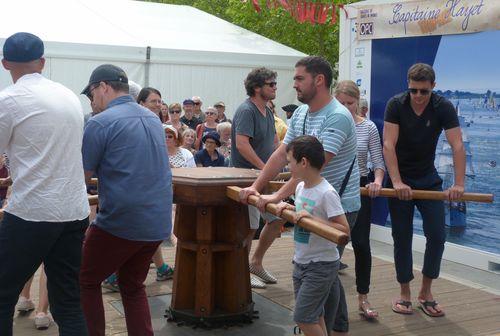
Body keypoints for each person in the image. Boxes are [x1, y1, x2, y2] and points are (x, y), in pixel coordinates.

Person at [240, 56, 360, 335]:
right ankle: (337, 328)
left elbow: (312, 168)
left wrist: (277, 197)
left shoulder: (338, 117)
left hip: (337, 205)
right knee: (325, 273)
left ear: (319, 80)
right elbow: (282, 154)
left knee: (323, 270)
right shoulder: (303, 113)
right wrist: (257, 188)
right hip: (309, 200)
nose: (293, 84)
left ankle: (324, 327)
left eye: (298, 79)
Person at [0, 32, 90, 336]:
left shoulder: (8, 99)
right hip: (73, 210)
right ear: (42, 62)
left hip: (32, 212)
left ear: (4, 63)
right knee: (68, 301)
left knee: (2, 295)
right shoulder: (68, 96)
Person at [80, 64, 173, 336]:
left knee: (85, 279)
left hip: (120, 222)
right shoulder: (153, 119)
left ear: (104, 87)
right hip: (156, 223)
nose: (92, 100)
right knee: (132, 286)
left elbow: (81, 176)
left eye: (93, 93)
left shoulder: (99, 122)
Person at [383, 63, 465, 317]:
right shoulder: (396, 104)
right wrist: (396, 182)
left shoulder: (443, 106)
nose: (418, 97)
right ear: (408, 86)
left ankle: (425, 292)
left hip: (428, 178)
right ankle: (405, 293)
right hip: (400, 179)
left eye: (423, 92)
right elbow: (388, 144)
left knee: (438, 236)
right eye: (413, 90)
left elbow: (457, 145)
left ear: (433, 88)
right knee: (402, 237)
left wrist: (459, 184)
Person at [270, 135, 349, 336]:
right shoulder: (300, 187)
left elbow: (344, 230)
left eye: (290, 162)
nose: (288, 167)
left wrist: (313, 220)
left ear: (303, 162)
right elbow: (304, 212)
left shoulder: (327, 193)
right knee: (314, 315)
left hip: (321, 265)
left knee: (303, 318)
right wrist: (289, 208)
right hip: (301, 261)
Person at [335, 80, 385, 320]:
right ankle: (327, 296)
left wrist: (377, 180)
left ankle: (363, 297)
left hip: (360, 187)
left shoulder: (369, 128)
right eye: (341, 103)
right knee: (333, 245)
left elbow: (378, 161)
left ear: (358, 103)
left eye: (350, 103)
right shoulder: (330, 123)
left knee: (362, 244)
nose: (345, 107)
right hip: (333, 189)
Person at [231, 67, 283, 289]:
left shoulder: (269, 112)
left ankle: (255, 263)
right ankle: (240, 269)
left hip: (263, 177)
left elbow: (275, 145)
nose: (275, 87)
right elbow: (242, 145)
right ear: (257, 87)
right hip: (247, 178)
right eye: (271, 84)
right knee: (249, 226)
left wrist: (286, 163)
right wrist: (265, 169)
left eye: (274, 83)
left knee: (277, 219)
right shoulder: (246, 110)